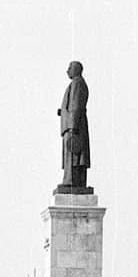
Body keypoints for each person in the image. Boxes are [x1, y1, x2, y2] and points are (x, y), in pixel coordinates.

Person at [56, 61, 91, 192]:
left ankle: (71, 181)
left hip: (74, 126)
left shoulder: (77, 83)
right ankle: (73, 180)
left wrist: (72, 125)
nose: (67, 71)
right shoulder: (77, 83)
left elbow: (76, 105)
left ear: (75, 69)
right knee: (75, 156)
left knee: (73, 155)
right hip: (73, 124)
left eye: (69, 68)